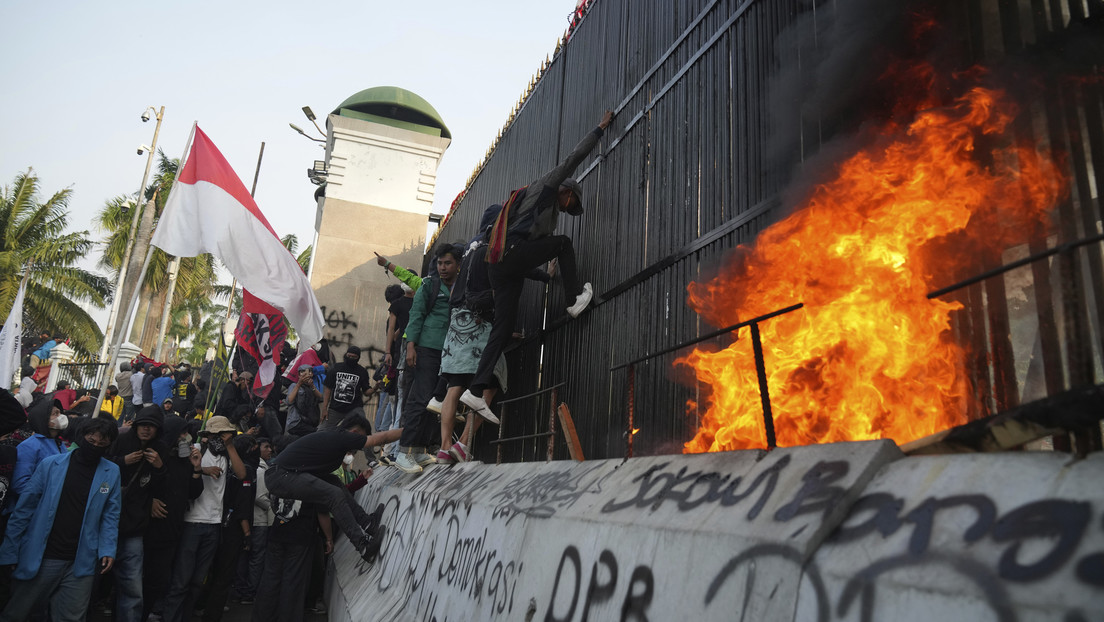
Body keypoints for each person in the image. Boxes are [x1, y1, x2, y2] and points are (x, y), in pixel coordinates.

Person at [464, 110, 614, 417]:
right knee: (564, 244)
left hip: (503, 265)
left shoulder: (544, 210)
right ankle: (573, 300)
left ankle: (475, 391)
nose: (570, 208)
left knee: (502, 329)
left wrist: (544, 276)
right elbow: (574, 157)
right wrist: (599, 130)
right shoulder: (547, 187)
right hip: (512, 252)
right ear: (567, 192)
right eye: (573, 202)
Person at [0, 417, 121, 622]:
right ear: (81, 437)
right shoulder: (50, 465)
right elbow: (24, 510)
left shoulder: (112, 471)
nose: (95, 446)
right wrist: (10, 551)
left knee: (71, 617)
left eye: (102, 444)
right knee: (19, 613)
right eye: (91, 441)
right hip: (43, 556)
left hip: (81, 562)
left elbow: (111, 513)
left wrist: (108, 548)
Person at [264, 415, 396, 563]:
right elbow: (381, 438)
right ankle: (363, 545)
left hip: (290, 473)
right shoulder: (340, 437)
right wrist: (411, 430)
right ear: (354, 433)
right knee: (333, 494)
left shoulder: (336, 442)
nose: (359, 447)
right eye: (361, 439)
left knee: (334, 483)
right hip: (280, 475)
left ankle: (368, 523)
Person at [160, 415, 246, 622]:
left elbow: (242, 474)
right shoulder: (195, 449)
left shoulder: (226, 456)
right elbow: (177, 470)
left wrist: (231, 447)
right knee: (182, 579)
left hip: (214, 524)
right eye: (223, 435)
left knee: (198, 581)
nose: (226, 438)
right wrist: (202, 469)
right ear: (210, 435)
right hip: (192, 521)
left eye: (229, 435)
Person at [394, 244, 462, 474]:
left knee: (435, 402)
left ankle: (420, 449)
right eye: (440, 263)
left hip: (450, 352)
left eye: (448, 263)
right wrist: (411, 346)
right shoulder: (428, 285)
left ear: (458, 265)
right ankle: (404, 452)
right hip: (427, 349)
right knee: (419, 399)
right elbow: (416, 315)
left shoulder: (462, 286)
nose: (442, 268)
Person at [107, 406, 168, 622]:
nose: (146, 430)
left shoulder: (161, 448)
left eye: (151, 426)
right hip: (107, 524)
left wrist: (160, 467)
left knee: (132, 586)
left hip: (135, 528)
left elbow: (162, 488)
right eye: (143, 425)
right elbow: (99, 466)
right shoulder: (121, 441)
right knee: (92, 580)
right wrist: (122, 461)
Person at [143, 416, 203, 621]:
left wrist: (196, 469)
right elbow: (141, 487)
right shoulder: (154, 455)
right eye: (181, 433)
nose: (186, 437)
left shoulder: (184, 460)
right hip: (148, 530)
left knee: (159, 578)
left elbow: (192, 493)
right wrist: (149, 502)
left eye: (186, 433)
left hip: (172, 530)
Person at [12, 398, 68, 498]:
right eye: (55, 413)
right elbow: (20, 484)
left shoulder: (60, 444)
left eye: (60, 413)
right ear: (44, 419)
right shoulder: (29, 446)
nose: (61, 417)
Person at [319, 346, 372, 430]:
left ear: (358, 358)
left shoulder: (362, 371)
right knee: (321, 431)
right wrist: (325, 408)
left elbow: (366, 391)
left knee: (362, 428)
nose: (351, 358)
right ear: (346, 355)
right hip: (335, 408)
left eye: (354, 357)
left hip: (354, 408)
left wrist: (376, 388)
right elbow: (328, 387)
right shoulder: (336, 368)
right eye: (349, 356)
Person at [286, 365, 322, 436]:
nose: (308, 375)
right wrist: (299, 384)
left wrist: (312, 386)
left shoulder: (311, 387)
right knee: (316, 434)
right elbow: (289, 401)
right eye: (303, 372)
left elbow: (321, 398)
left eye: (310, 372)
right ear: (299, 375)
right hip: (297, 422)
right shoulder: (294, 385)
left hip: (310, 421)